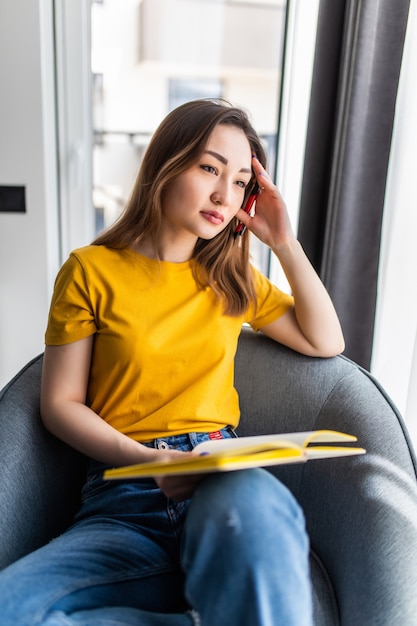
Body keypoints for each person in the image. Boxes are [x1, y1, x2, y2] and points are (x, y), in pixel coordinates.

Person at [0, 99, 344, 625]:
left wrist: (284, 241)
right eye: (209, 167)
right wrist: (147, 461)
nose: (222, 196)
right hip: (123, 499)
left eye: (238, 182)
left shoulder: (233, 278)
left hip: (220, 483)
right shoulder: (91, 271)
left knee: (251, 510)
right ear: (166, 163)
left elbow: (326, 342)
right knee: (13, 608)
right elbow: (59, 404)